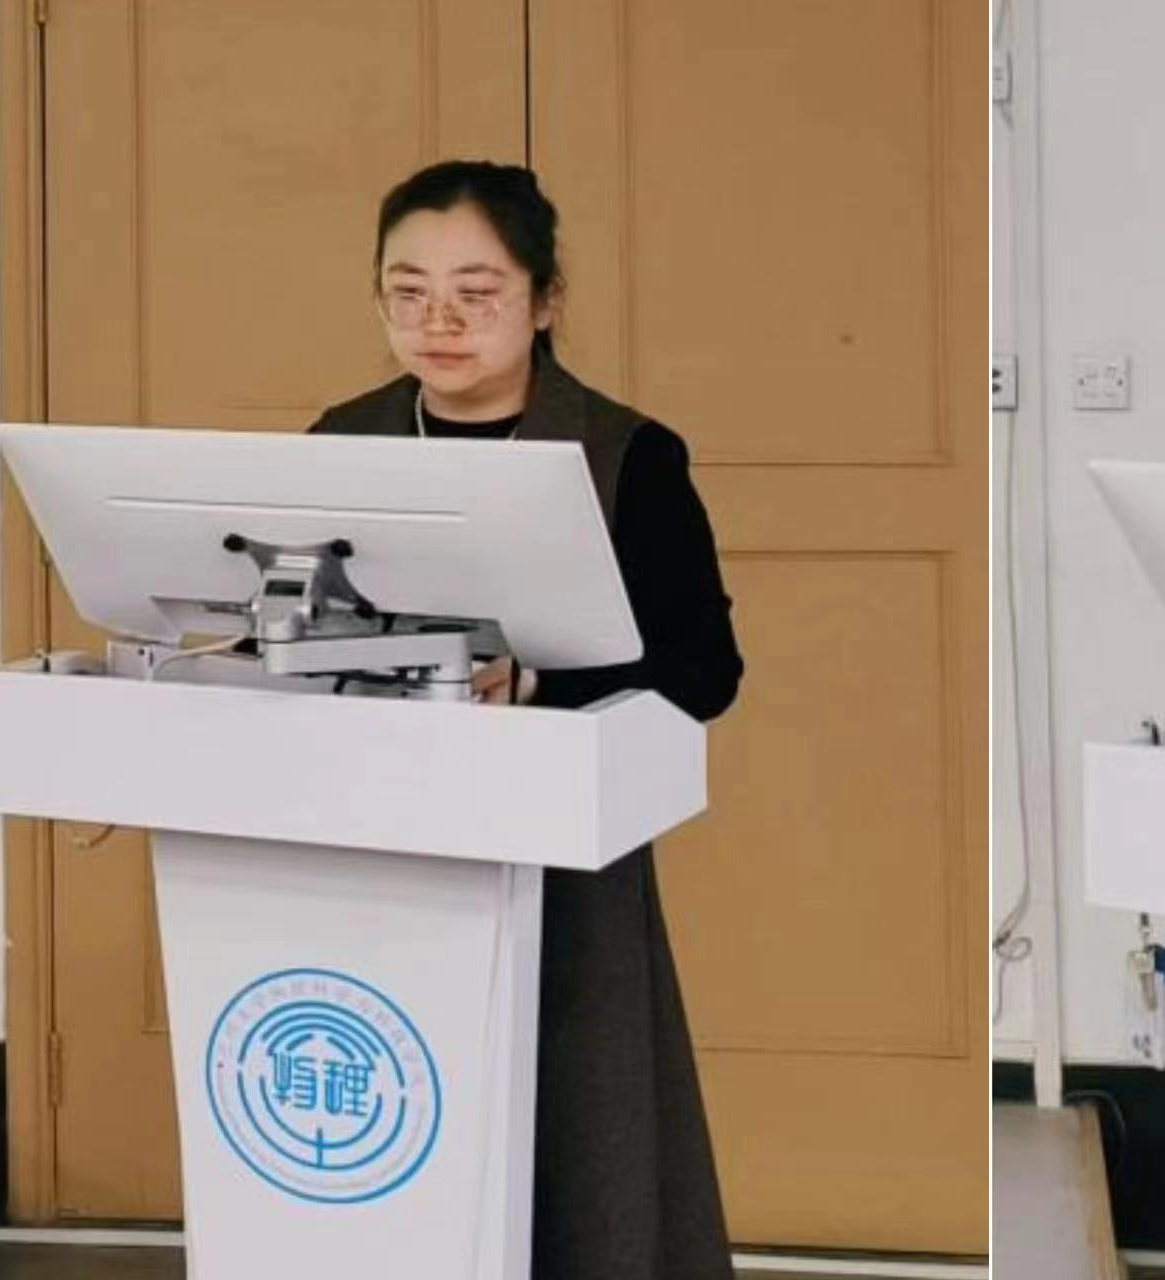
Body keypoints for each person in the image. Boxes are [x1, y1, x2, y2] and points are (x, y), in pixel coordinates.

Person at [309, 159, 744, 1280]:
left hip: (561, 846)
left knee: (577, 1131)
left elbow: (705, 668)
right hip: (378, 832)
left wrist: (537, 683)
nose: (439, 322)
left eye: (477, 292)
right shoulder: (343, 438)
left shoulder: (627, 452)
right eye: (408, 292)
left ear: (546, 300)